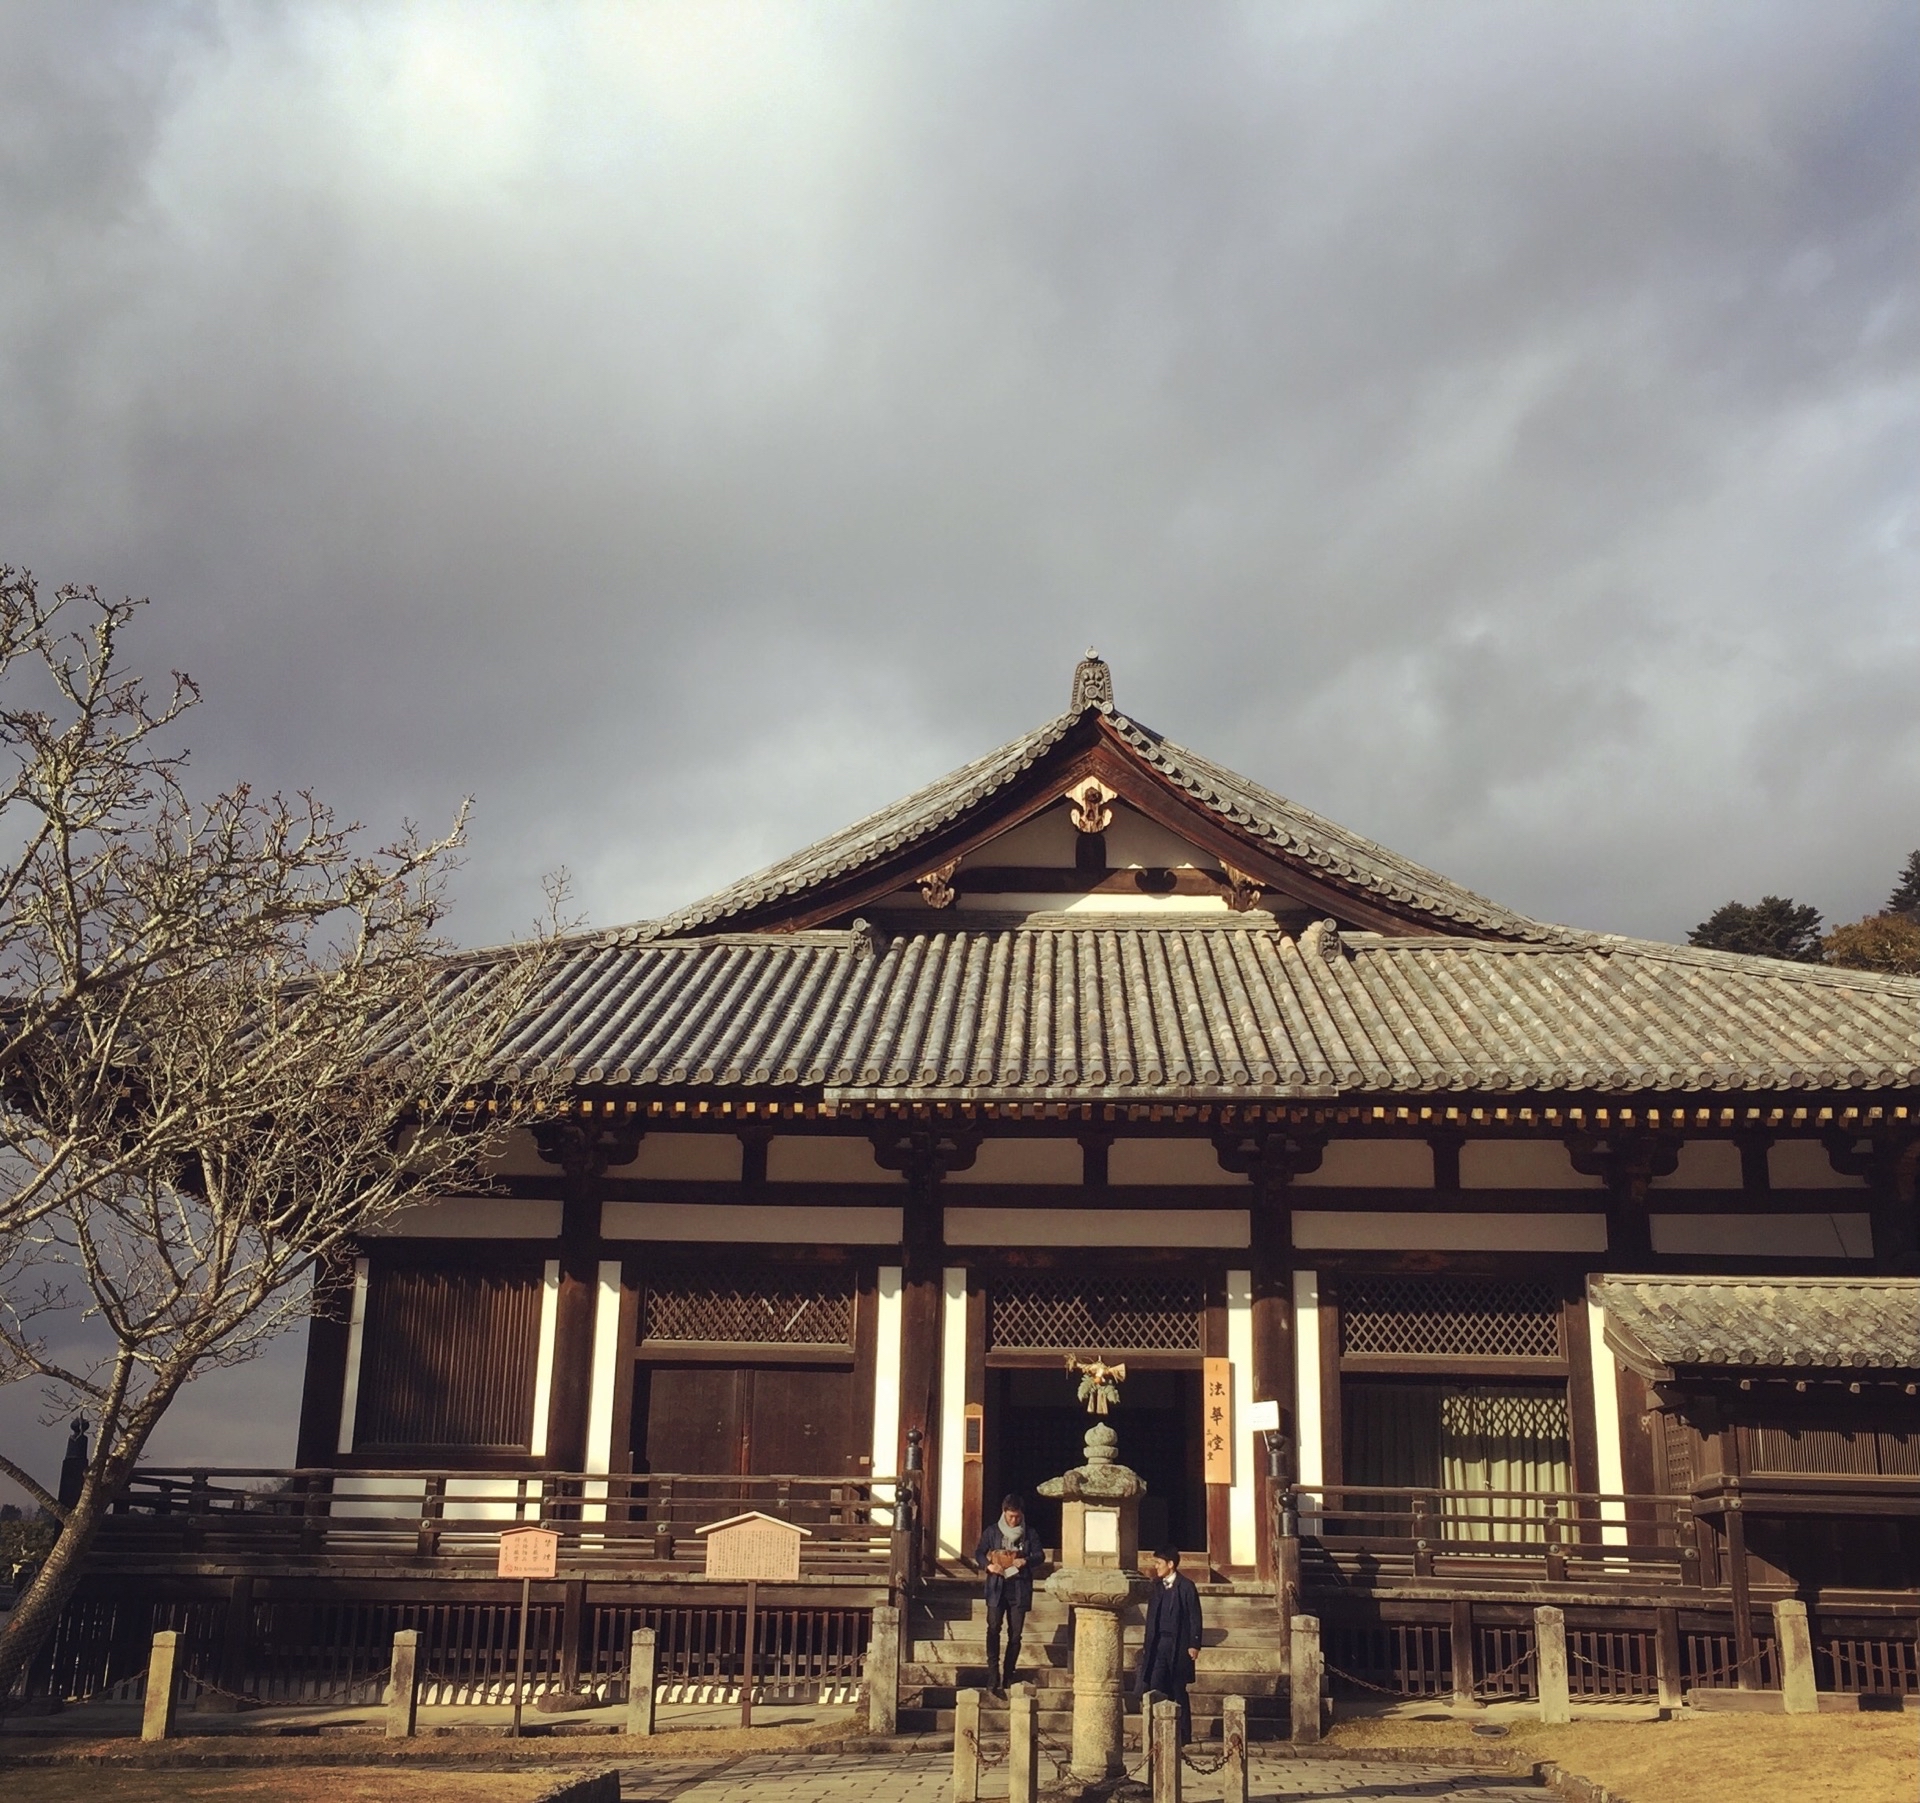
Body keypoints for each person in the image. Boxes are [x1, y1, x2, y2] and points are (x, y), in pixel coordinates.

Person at [973, 1493, 1043, 1696]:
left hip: (1019, 1587)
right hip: (997, 1586)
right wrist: (988, 1566)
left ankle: (1009, 1672)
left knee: (1015, 1634)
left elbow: (1040, 1555)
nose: (1014, 1520)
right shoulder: (992, 1531)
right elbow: (978, 1552)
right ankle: (992, 1673)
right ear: (1004, 1513)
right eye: (1011, 1516)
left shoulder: (1029, 1533)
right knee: (993, 1628)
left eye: (1017, 1517)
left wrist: (1026, 1560)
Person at [1135, 1545, 1203, 1743]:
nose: (1156, 1567)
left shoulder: (1186, 1586)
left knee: (1177, 1688)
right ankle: (1157, 1731)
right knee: (1156, 1685)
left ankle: (1183, 1734)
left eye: (1159, 1563)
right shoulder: (1156, 1586)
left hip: (1179, 1645)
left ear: (1171, 1564)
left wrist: (1194, 1644)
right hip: (1158, 1645)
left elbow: (1194, 1617)